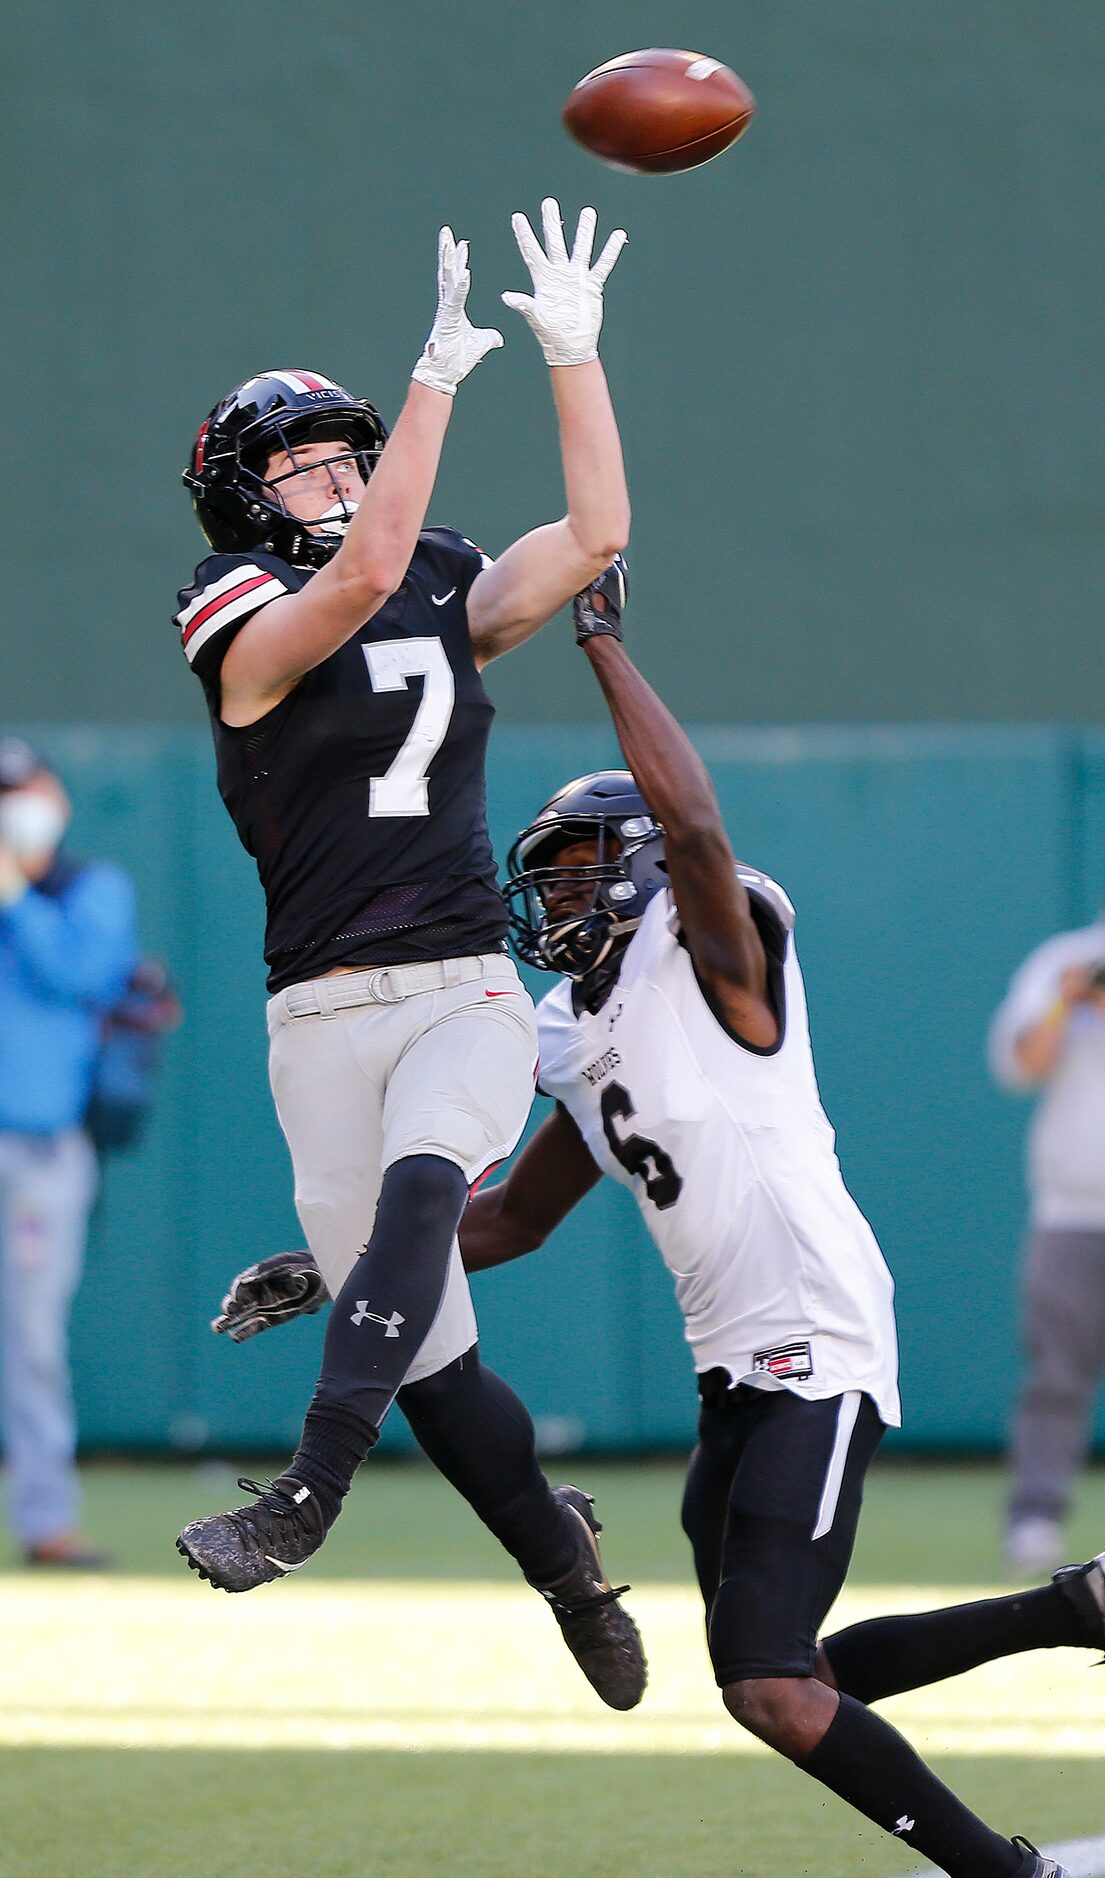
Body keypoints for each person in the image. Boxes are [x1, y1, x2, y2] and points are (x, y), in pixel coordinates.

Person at [453, 566, 1105, 1878]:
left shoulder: (714, 943)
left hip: (813, 1335)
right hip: (730, 1369)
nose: (552, 902)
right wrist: (353, 1263)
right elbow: (509, 1220)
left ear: (639, 871)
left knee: (773, 1685)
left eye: (574, 872)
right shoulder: (583, 1028)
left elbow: (698, 824)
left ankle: (1006, 1872)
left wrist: (604, 643)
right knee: (785, 1671)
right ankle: (1079, 1607)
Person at [168, 201, 645, 1711]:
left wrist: (573, 357)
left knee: (430, 1185)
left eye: (343, 445)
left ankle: (303, 1493)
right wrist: (435, 374)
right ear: (242, 499)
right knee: (442, 1376)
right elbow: (359, 582)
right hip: (316, 1011)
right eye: (297, 457)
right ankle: (563, 1563)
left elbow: (593, 538)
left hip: (458, 980)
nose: (332, 469)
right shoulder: (231, 608)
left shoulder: (433, 564)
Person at [989, 851, 1105, 1575]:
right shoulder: (1068, 960)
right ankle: (1034, 1519)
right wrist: (1069, 1003)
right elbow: (1016, 1065)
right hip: (1076, 1215)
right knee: (1054, 1380)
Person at [0, 736, 139, 1566]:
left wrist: (14, 893)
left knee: (33, 1340)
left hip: (42, 1150)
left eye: (20, 789)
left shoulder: (88, 889)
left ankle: (47, 1521)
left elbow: (87, 974)